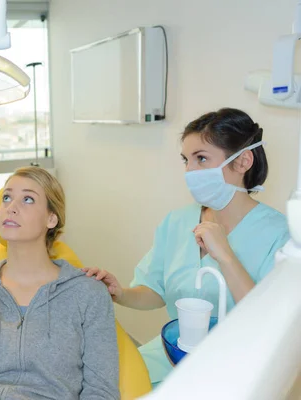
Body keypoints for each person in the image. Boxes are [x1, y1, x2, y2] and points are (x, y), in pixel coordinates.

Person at [84, 108, 290, 387]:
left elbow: (267, 321)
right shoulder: (178, 222)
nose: (190, 171)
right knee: (104, 385)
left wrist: (226, 256)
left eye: (201, 158)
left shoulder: (279, 233)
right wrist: (121, 293)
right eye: (186, 160)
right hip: (173, 354)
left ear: (242, 162)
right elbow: (155, 292)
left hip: (237, 368)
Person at [0, 166, 120, 400]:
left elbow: (101, 391)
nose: (11, 208)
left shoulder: (87, 294)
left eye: (27, 199)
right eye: (7, 198)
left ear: (51, 218)